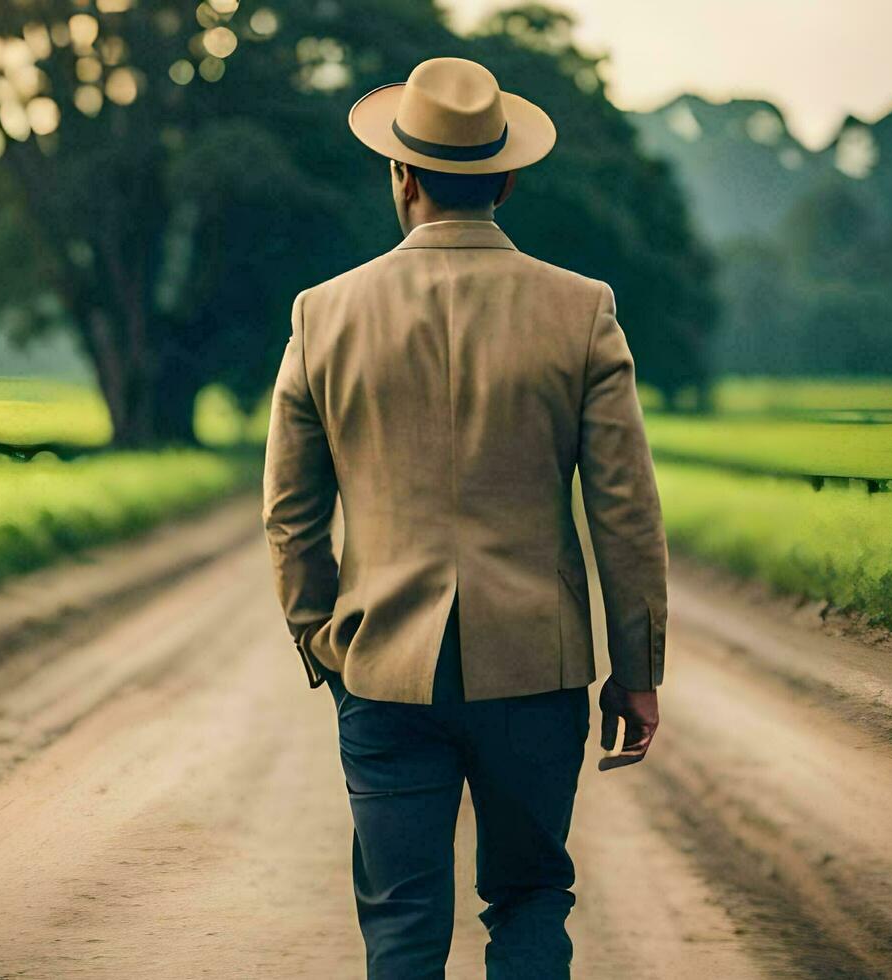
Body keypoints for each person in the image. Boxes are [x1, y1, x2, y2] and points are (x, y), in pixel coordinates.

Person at [261, 57, 668, 979]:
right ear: (508, 177)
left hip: (382, 671)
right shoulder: (582, 309)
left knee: (403, 922)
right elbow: (625, 513)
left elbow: (290, 512)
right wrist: (636, 670)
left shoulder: (322, 314)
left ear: (400, 175)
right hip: (538, 669)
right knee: (529, 899)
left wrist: (324, 639)